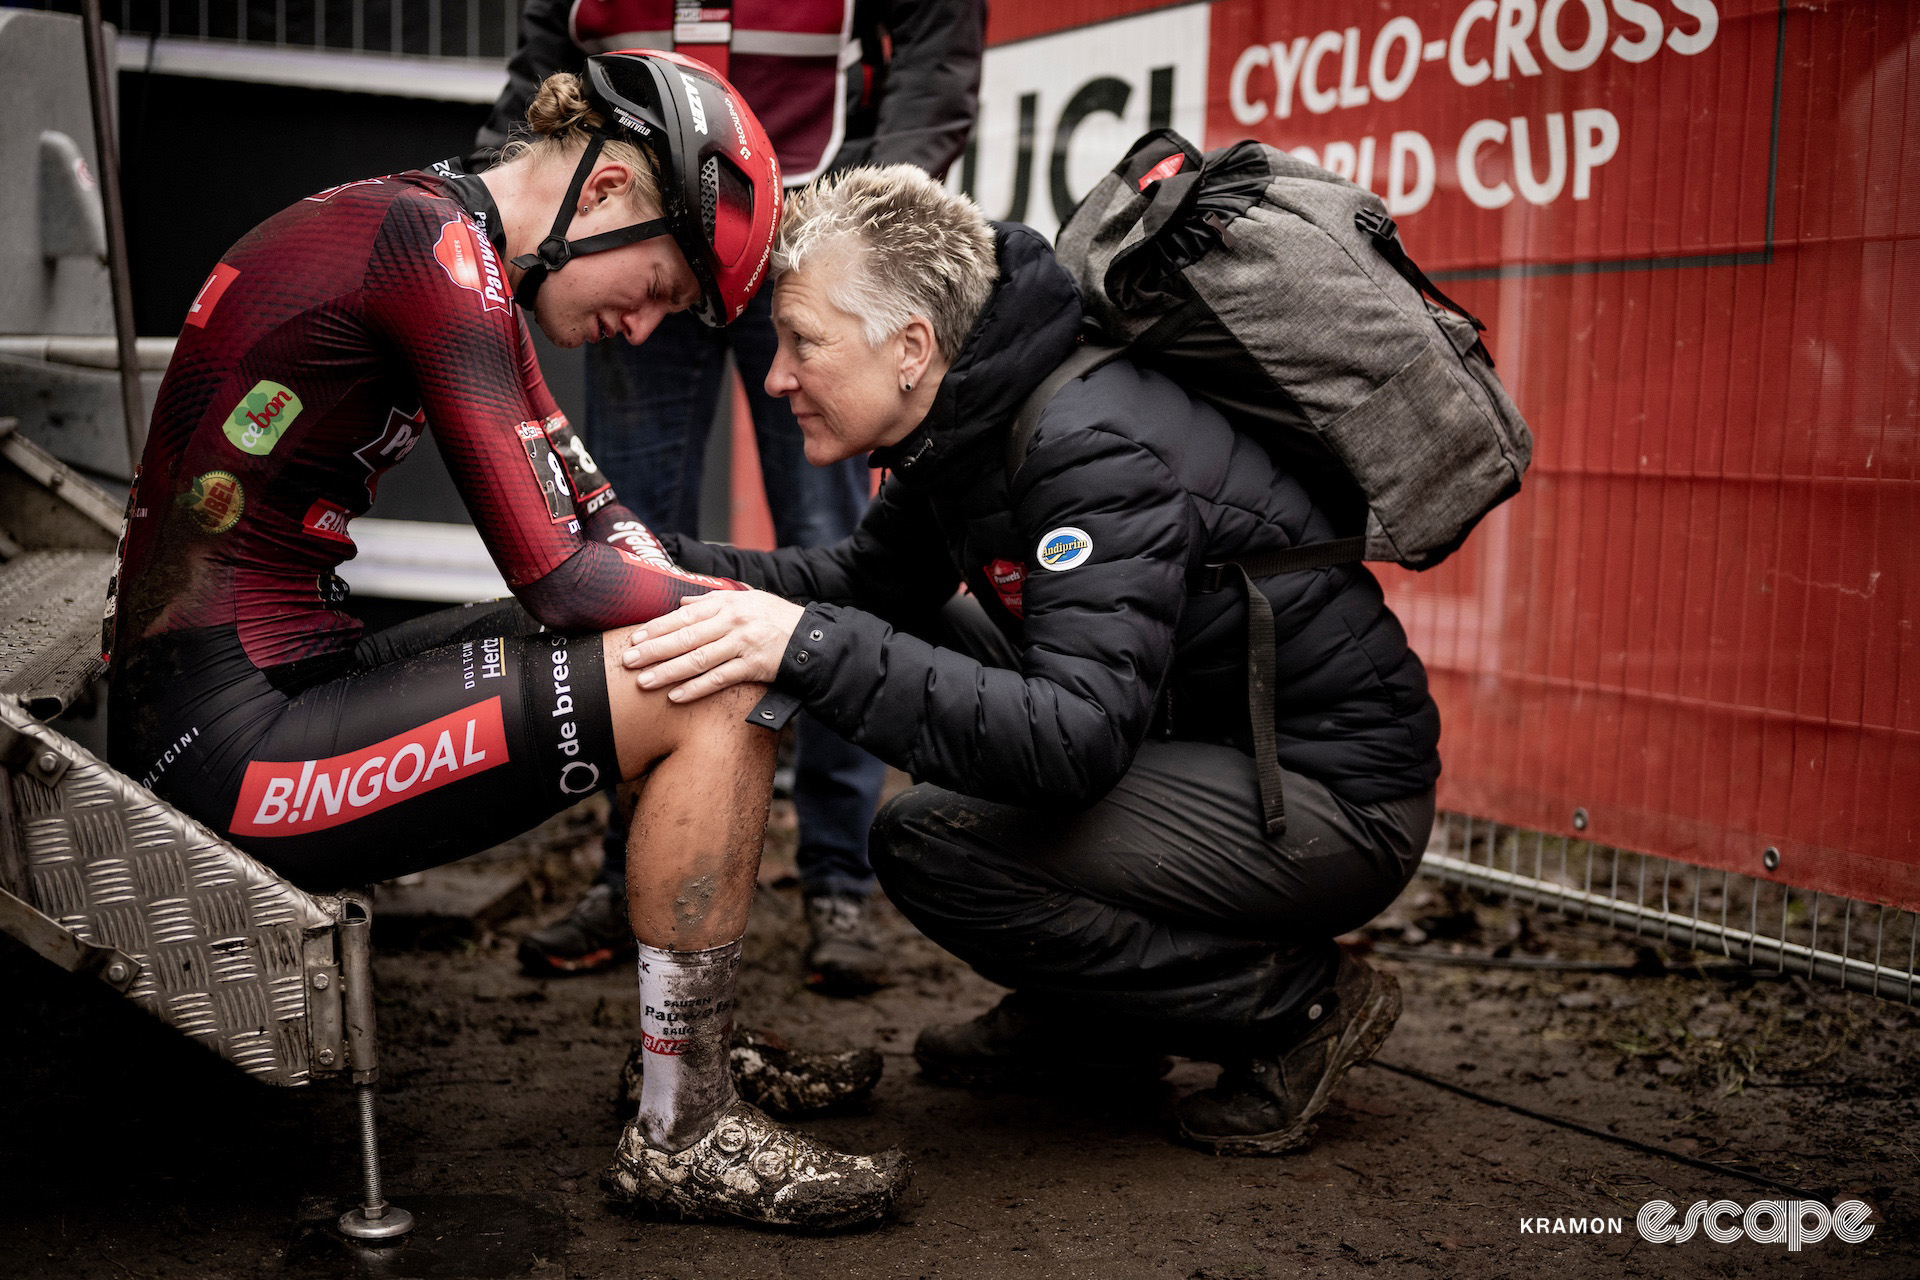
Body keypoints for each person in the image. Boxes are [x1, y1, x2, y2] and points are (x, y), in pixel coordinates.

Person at [105, 52, 907, 1228]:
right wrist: (789, 634)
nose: (640, 327)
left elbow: (599, 517)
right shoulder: (430, 256)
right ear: (605, 194)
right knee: (724, 680)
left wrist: (741, 613)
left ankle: (689, 1063)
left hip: (279, 682)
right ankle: (681, 1130)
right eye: (663, 287)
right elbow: (560, 574)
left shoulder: (457, 240)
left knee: (712, 650)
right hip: (222, 748)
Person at [617, 165, 1443, 1156]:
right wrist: (643, 562)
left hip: (1333, 797)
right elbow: (860, 586)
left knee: (936, 843)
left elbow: (1076, 741)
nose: (777, 375)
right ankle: (1096, 1019)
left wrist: (807, 644)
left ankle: (1295, 1007)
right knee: (910, 636)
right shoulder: (968, 419)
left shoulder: (1087, 440)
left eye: (803, 343)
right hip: (1194, 745)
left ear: (912, 347)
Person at [478, 0, 987, 992]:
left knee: (841, 553)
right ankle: (633, 866)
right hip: (632, 229)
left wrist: (872, 207)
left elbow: (933, 41)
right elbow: (547, 49)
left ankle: (839, 875)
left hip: (805, 235)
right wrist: (519, 187)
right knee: (625, 555)